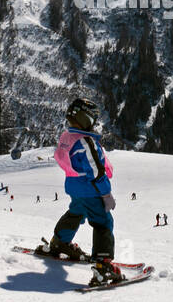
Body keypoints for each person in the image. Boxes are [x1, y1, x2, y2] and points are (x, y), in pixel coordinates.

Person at [36, 98, 122, 285]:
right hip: (90, 189)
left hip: (74, 186)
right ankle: (103, 266)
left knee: (76, 212)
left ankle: (59, 242)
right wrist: (106, 194)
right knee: (103, 222)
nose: (94, 124)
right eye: (93, 119)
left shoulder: (67, 137)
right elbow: (96, 171)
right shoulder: (85, 141)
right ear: (85, 119)